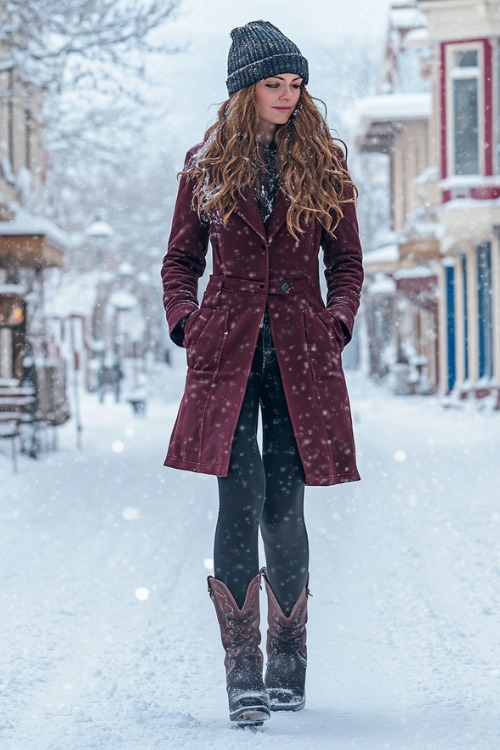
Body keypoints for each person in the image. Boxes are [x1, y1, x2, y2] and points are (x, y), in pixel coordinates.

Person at [161, 20, 363, 728]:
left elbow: (347, 265)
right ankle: (242, 671)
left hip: (303, 355)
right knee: (237, 498)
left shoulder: (325, 163)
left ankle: (289, 658)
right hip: (227, 354)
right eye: (273, 84)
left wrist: (335, 322)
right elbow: (180, 262)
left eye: (295, 84)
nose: (287, 95)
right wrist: (188, 322)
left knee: (284, 503)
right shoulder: (205, 165)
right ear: (244, 90)